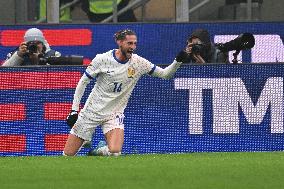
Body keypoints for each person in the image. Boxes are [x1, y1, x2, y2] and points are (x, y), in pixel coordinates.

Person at [63, 29, 185, 156]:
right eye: (129, 43)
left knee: (115, 152)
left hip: (114, 113)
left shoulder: (138, 63)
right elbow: (82, 82)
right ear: (119, 42)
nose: (133, 47)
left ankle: (99, 150)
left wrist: (178, 61)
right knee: (67, 156)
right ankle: (85, 139)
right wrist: (74, 110)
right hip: (91, 112)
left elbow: (165, 74)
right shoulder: (102, 59)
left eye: (134, 44)